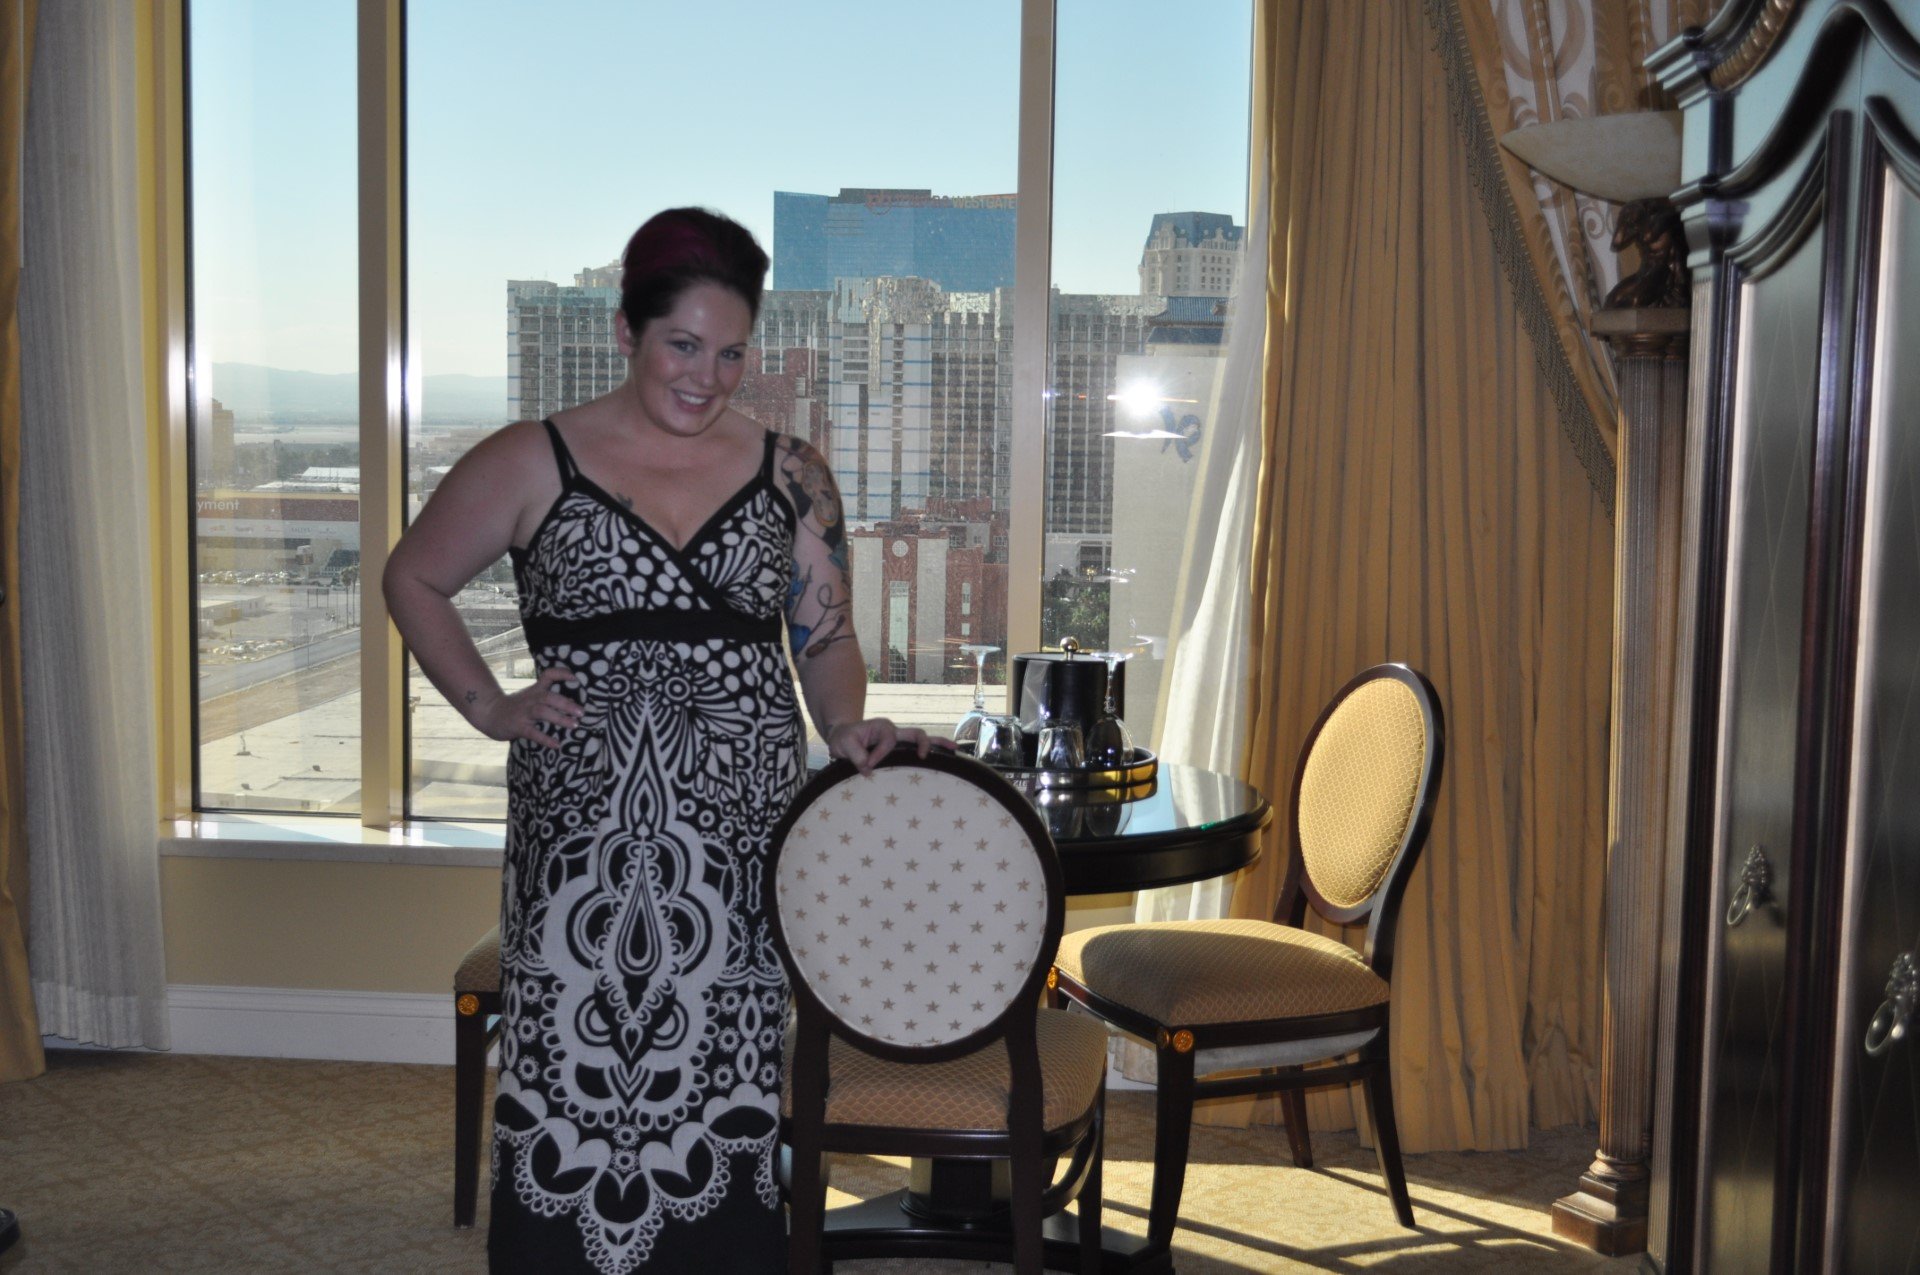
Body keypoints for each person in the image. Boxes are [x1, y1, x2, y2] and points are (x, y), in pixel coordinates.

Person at [384, 207, 928, 1272]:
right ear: (627, 331)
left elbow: (827, 640)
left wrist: (849, 723)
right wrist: (490, 707)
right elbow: (414, 577)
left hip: (734, 840)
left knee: (727, 1068)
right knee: (567, 1067)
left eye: (732, 354)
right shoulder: (530, 459)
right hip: (578, 846)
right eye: (684, 345)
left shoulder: (794, 473)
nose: (709, 377)